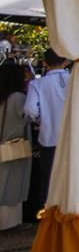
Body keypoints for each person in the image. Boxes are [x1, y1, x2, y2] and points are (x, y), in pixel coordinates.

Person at [23, 49, 70, 220]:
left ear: (45, 62)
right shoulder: (76, 81)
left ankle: (49, 214)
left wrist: (39, 118)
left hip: (49, 136)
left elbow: (29, 110)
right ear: (66, 61)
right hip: (74, 138)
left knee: (49, 177)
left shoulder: (38, 84)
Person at [0, 64, 32, 230]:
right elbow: (31, 115)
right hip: (14, 146)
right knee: (12, 185)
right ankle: (10, 224)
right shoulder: (19, 98)